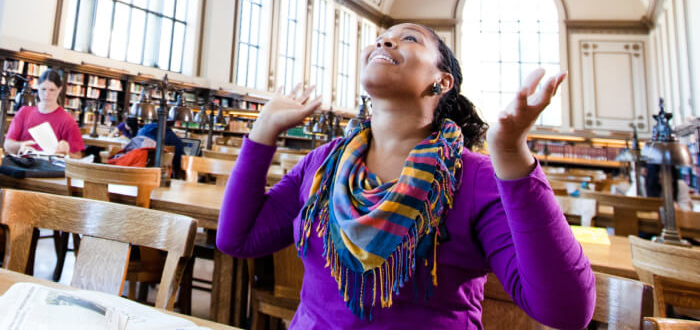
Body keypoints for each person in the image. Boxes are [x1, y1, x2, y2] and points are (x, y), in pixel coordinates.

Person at [217, 23, 594, 328]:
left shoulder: (475, 178)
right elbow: (238, 239)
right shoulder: (323, 164)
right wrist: (262, 132)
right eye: (381, 38)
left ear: (442, 82)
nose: (385, 40)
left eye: (408, 38)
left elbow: (566, 312)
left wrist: (512, 154)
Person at [3, 68, 85, 157]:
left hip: (49, 169)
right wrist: (20, 146)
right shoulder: (24, 112)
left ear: (59, 90)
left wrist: (66, 153)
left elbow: (78, 157)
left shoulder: (68, 121)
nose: (46, 94)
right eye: (43, 89)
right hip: (23, 165)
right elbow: (7, 145)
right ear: (37, 87)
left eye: (52, 90)